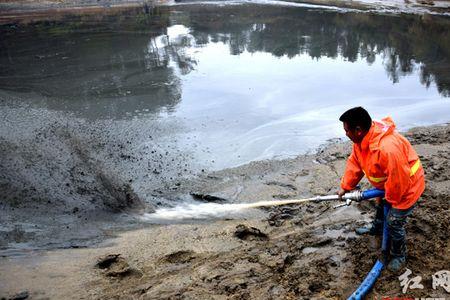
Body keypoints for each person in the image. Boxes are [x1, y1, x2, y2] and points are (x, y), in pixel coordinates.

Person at [337, 107, 425, 272]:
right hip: (389, 184)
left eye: (347, 130)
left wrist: (391, 201)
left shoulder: (387, 148)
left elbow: (399, 180)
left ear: (358, 130)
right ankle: (377, 228)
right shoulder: (362, 140)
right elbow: (355, 163)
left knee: (393, 221)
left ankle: (399, 254)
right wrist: (345, 187)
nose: (345, 134)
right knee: (380, 204)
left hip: (408, 186)